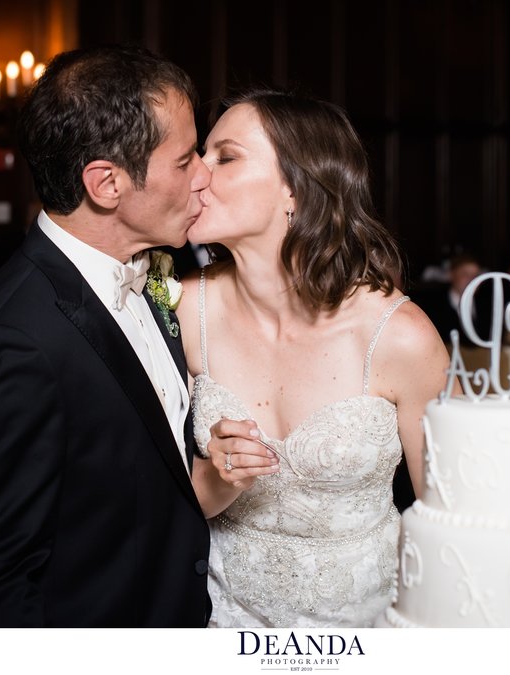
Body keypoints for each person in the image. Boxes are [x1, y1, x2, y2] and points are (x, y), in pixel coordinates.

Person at [0, 44, 213, 626]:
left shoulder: (147, 274)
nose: (204, 178)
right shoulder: (13, 345)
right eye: (185, 161)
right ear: (106, 184)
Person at [181, 89, 453, 628]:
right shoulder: (184, 311)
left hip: (366, 629)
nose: (196, 173)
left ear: (296, 189)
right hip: (220, 625)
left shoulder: (398, 336)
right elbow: (152, 503)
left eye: (225, 157)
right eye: (198, 154)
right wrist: (215, 478)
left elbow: (451, 523)